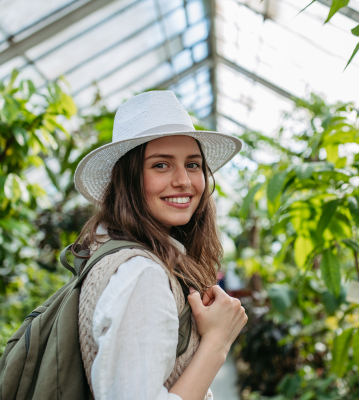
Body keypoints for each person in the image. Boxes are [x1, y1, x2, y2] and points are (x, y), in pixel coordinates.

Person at [71, 90, 247, 400]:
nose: (184, 181)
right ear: (127, 179)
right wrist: (217, 342)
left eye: (193, 165)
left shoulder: (126, 253)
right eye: (161, 165)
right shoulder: (143, 276)